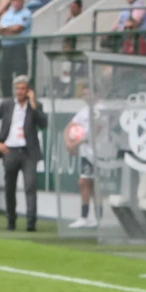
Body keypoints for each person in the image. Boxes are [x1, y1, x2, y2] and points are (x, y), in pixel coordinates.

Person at [0, 76, 47, 232]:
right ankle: (11, 220)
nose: (20, 92)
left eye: (23, 88)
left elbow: (43, 124)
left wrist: (33, 103)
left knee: (30, 185)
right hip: (10, 150)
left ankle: (31, 222)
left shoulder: (35, 105)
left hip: (29, 152)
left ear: (29, 90)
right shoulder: (6, 104)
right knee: (10, 187)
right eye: (17, 88)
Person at [65, 85, 98, 228]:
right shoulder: (83, 111)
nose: (86, 97)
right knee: (84, 182)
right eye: (84, 94)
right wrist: (68, 142)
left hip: (100, 154)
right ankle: (84, 217)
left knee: (95, 185)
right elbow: (69, 126)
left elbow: (95, 131)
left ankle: (98, 218)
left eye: (88, 93)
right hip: (86, 153)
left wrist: (75, 143)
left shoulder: (100, 110)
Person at [0, 0, 33, 97]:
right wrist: (10, 30)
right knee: (5, 74)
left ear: (22, 1)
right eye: (15, 1)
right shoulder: (7, 14)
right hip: (6, 48)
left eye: (19, 1)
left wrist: (6, 30)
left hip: (19, 48)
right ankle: (6, 97)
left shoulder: (26, 13)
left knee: (21, 75)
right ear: (12, 2)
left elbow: (18, 29)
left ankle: (23, 97)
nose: (17, 3)